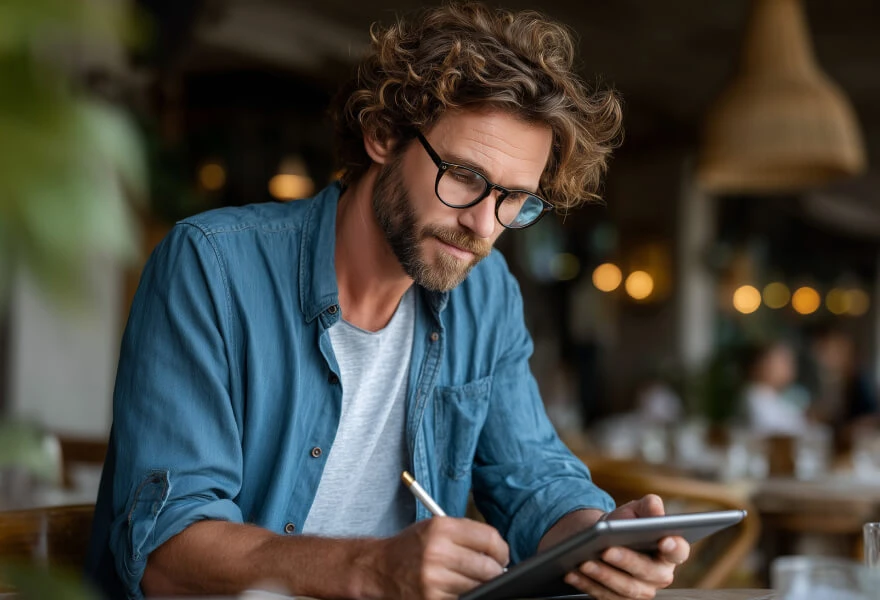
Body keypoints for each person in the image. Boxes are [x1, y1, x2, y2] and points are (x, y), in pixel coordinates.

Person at [86, 4, 689, 599]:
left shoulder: (485, 293)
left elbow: (532, 479)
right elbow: (167, 553)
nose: (483, 224)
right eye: (462, 175)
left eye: (514, 200)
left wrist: (600, 539)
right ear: (382, 135)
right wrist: (372, 568)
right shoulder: (211, 267)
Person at [740, 341, 810, 437]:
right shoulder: (753, 395)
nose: (790, 367)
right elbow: (771, 432)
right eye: (783, 361)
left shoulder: (777, 395)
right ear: (760, 364)